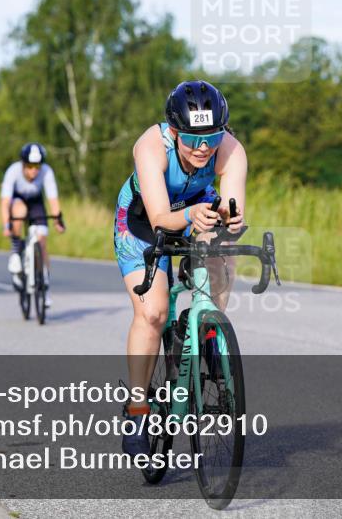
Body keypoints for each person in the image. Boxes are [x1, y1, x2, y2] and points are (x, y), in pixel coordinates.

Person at [113, 80, 246, 456]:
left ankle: (207, 326)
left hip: (196, 210)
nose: (204, 148)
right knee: (153, 313)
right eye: (192, 139)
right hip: (141, 221)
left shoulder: (231, 150)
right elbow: (159, 216)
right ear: (174, 131)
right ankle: (138, 408)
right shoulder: (151, 146)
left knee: (221, 245)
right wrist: (189, 215)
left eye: (212, 137)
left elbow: (233, 206)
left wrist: (230, 219)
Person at [0, 143, 65, 289]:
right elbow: (5, 202)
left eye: (37, 166)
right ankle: (16, 252)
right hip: (18, 200)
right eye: (30, 166)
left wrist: (57, 221)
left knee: (41, 240)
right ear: (23, 164)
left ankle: (44, 282)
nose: (34, 170)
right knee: (20, 211)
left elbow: (52, 199)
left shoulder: (47, 171)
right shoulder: (13, 171)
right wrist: (6, 225)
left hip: (36, 202)